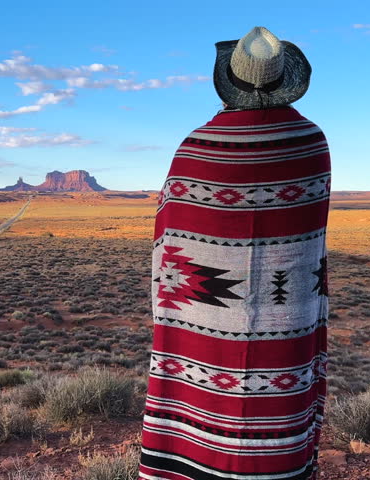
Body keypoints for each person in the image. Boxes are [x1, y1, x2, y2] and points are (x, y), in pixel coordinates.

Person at [138, 26, 330, 480]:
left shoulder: (196, 147)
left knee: (202, 395)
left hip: (206, 322)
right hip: (288, 316)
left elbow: (169, 235)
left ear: (231, 81)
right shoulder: (311, 142)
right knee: (281, 400)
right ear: (284, 80)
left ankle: (191, 458)